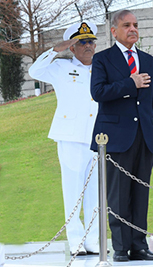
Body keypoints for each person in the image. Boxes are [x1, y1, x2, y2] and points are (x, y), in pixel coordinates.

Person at [90, 10, 153, 261]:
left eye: (135, 25)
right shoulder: (102, 59)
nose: (132, 29)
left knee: (140, 195)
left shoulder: (149, 60)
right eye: (126, 25)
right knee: (118, 195)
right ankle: (121, 248)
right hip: (115, 138)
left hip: (145, 137)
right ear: (114, 31)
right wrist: (130, 83)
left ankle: (139, 246)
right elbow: (98, 92)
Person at [28, 21, 100, 256]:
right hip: (70, 137)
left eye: (91, 41)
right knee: (73, 192)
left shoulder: (102, 68)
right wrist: (55, 50)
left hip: (97, 138)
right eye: (82, 42)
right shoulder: (60, 67)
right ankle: (76, 240)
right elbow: (34, 72)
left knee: (94, 194)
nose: (88, 46)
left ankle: (93, 241)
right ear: (72, 47)